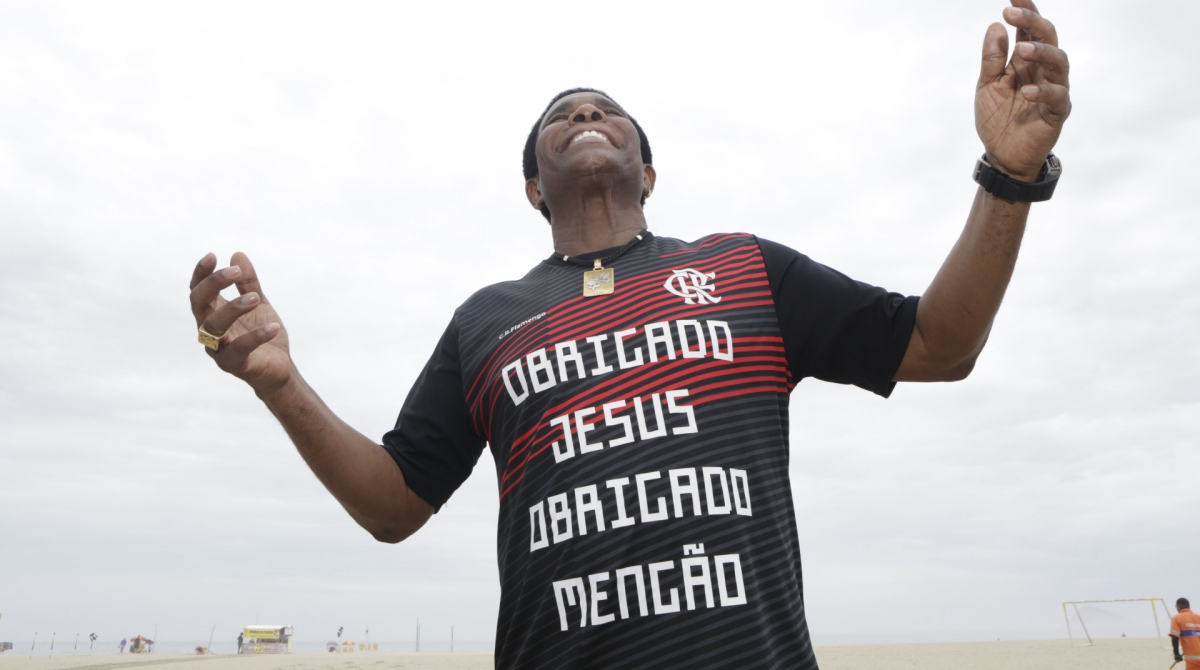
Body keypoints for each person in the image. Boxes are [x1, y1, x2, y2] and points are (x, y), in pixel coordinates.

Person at [186, 2, 1070, 667]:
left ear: (646, 169)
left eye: (605, 109)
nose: (583, 115)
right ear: (535, 185)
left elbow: (941, 345)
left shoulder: (746, 268)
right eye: (560, 118)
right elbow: (393, 506)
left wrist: (1010, 175)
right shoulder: (485, 322)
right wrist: (278, 382)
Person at [1171, 598, 1200, 668]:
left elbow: (1174, 637)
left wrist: (1176, 653)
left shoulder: (1177, 618)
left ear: (1178, 606)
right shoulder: (1198, 618)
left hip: (1193, 658)